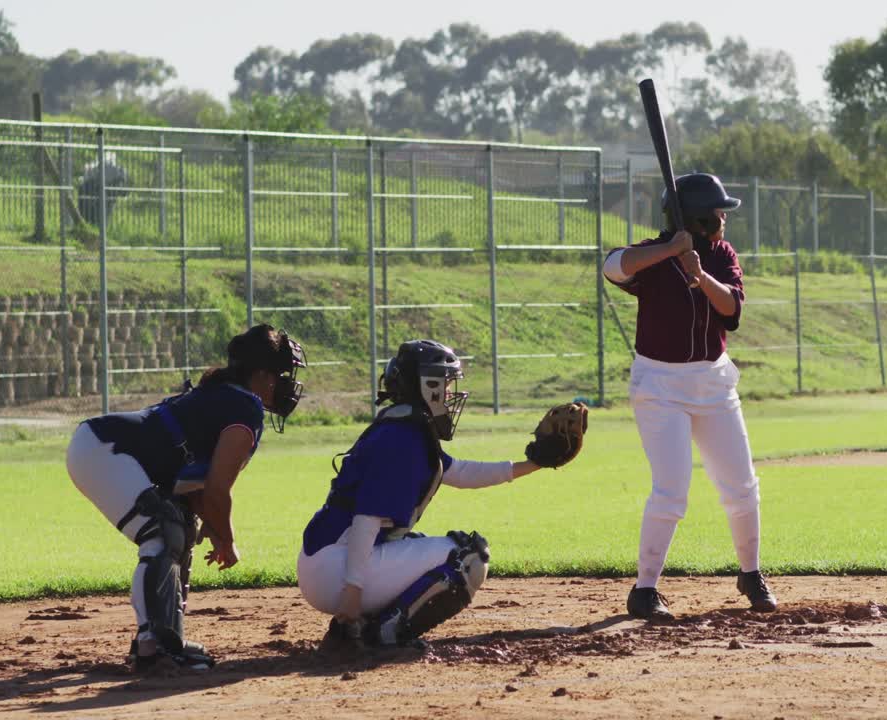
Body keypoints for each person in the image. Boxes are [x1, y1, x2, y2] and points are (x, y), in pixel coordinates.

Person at [297, 340, 586, 649]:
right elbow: (365, 521)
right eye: (445, 384)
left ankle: (358, 628)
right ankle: (382, 633)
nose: (450, 394)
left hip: (328, 561)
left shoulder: (404, 428)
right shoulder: (402, 438)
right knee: (468, 556)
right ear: (427, 386)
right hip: (335, 569)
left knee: (423, 548)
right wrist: (351, 595)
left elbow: (460, 473)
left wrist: (533, 465)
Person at [66, 323, 307, 672]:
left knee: (179, 523)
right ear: (260, 374)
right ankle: (154, 647)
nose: (284, 383)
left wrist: (211, 523)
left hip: (101, 447)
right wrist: (227, 538)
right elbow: (217, 490)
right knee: (162, 531)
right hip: (105, 450)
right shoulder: (246, 408)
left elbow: (198, 490)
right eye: (281, 374)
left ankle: (165, 637)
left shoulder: (226, 395)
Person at [602, 172, 776, 620]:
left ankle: (751, 573)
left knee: (741, 486)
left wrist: (699, 274)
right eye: (717, 213)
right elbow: (611, 266)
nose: (724, 219)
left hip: (713, 383)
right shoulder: (654, 256)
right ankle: (644, 590)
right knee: (672, 489)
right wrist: (669, 251)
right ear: (697, 219)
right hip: (659, 386)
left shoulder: (720, 255)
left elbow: (732, 310)